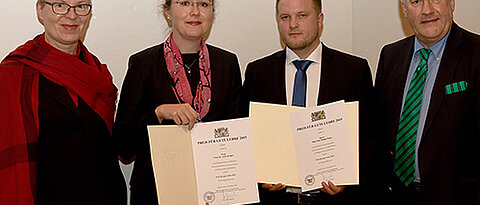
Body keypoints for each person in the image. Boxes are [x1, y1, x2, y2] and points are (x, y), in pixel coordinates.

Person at [241, 0, 376, 204]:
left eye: (302, 15)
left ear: (320, 20)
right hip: (277, 200)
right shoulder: (258, 72)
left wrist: (349, 178)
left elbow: (370, 138)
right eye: (285, 17)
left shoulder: (353, 70)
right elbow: (247, 138)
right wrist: (260, 175)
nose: (293, 24)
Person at [112, 0, 242, 204]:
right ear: (167, 11)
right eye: (185, 3)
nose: (195, 11)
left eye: (204, 4)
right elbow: (123, 145)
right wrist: (158, 114)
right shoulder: (142, 64)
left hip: (214, 193)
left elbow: (237, 135)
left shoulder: (227, 63)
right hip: (155, 194)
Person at [0, 0, 127, 204]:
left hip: (103, 196)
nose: (72, 15)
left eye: (81, 6)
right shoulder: (13, 74)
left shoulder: (97, 73)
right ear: (40, 10)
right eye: (60, 5)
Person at [374, 0, 480, 204]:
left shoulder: (476, 54)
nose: (427, 10)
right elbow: (379, 132)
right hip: (398, 195)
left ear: (452, 3)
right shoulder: (390, 56)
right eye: (416, 1)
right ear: (404, 9)